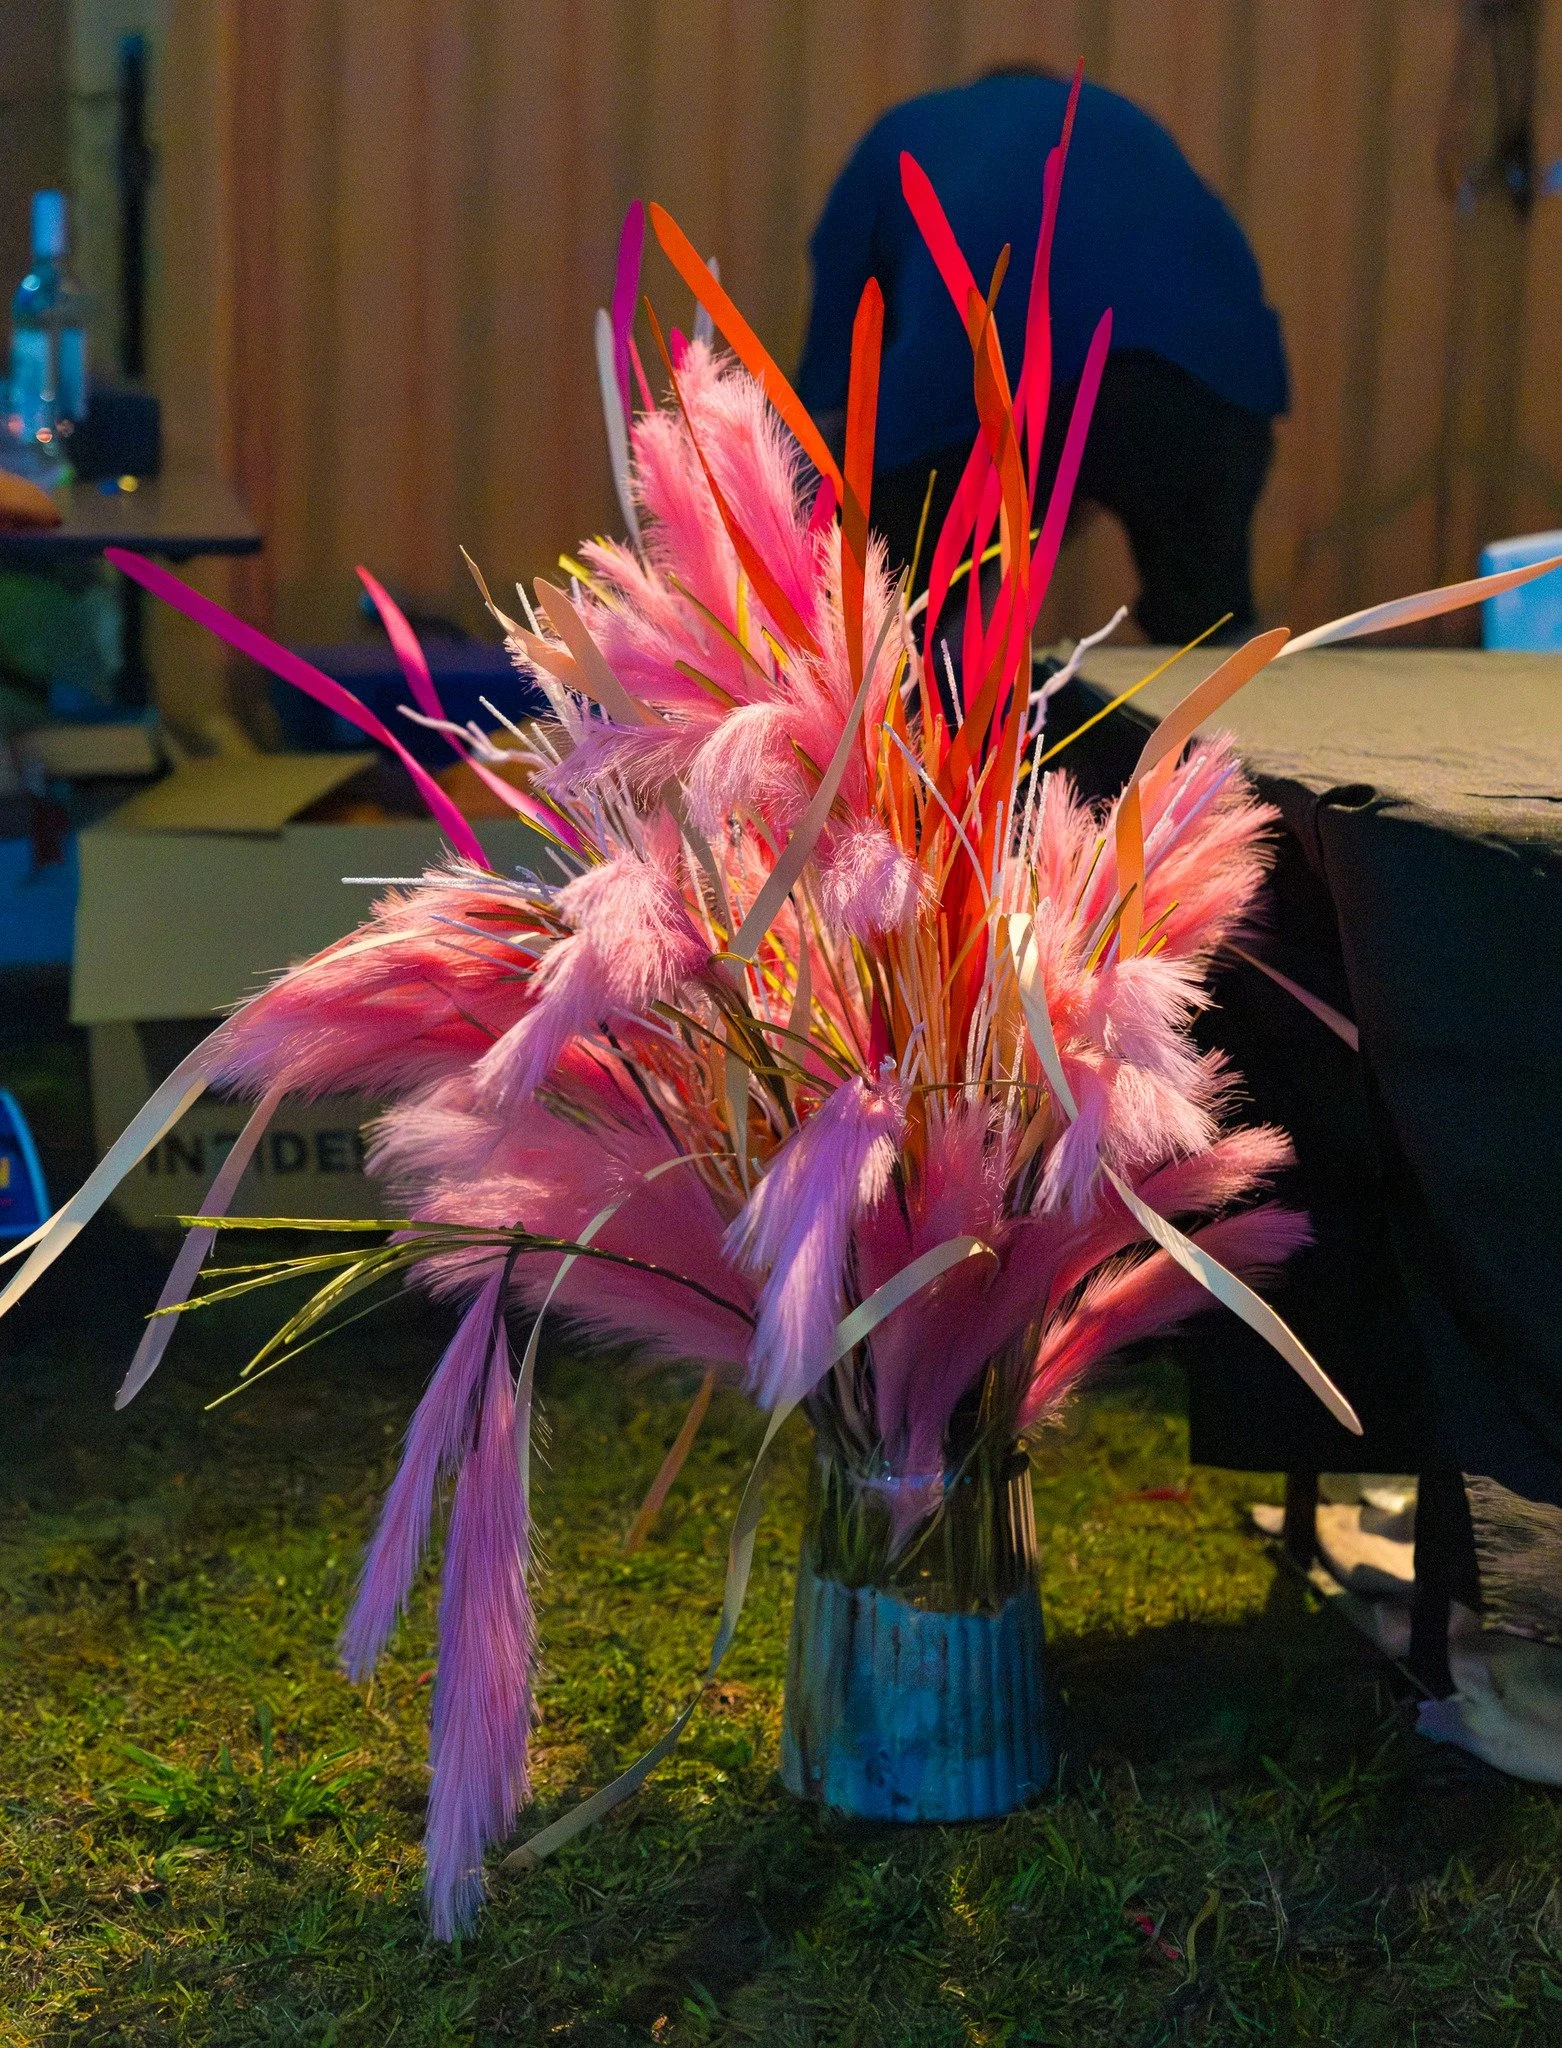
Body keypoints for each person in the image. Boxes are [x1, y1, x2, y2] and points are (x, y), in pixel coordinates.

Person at [797, 69, 1289, 645]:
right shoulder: (1114, 124)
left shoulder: (902, 134)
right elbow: (1098, 405)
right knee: (1211, 641)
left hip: (988, 356)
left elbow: (826, 409)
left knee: (896, 631)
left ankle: (920, 684)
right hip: (1211, 379)